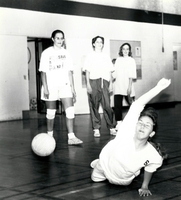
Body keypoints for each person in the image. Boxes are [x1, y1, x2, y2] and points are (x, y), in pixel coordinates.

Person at [90, 78, 171, 196]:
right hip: (104, 166)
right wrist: (158, 88)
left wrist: (144, 186)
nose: (142, 126)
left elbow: (151, 168)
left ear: (152, 134)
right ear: (135, 125)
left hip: (123, 181)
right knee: (94, 179)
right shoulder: (127, 130)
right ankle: (97, 163)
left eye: (147, 125)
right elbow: (138, 104)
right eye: (141, 122)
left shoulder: (153, 155)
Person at [39, 29, 83, 145]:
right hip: (51, 86)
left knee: (70, 111)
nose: (60, 40)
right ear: (53, 39)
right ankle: (49, 136)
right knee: (51, 112)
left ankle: (71, 137)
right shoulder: (46, 53)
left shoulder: (66, 53)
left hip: (65, 85)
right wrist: (46, 88)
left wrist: (73, 88)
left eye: (61, 38)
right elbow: (43, 72)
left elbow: (69, 72)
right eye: (57, 38)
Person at [83, 36, 116, 137]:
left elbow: (110, 71)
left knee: (107, 106)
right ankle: (96, 128)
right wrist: (88, 84)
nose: (99, 44)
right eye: (97, 42)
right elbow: (87, 72)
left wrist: (110, 84)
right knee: (94, 105)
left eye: (101, 42)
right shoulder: (90, 56)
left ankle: (111, 127)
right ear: (93, 44)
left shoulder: (106, 56)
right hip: (93, 81)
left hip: (105, 81)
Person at [114, 43, 137, 130]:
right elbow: (114, 73)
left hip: (128, 85)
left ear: (129, 51)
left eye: (127, 49)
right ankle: (119, 123)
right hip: (118, 85)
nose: (125, 51)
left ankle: (135, 121)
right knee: (117, 105)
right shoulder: (118, 60)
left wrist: (129, 87)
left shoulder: (131, 60)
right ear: (121, 50)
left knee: (132, 105)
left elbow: (131, 75)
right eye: (124, 49)